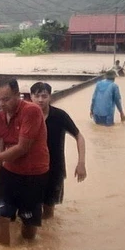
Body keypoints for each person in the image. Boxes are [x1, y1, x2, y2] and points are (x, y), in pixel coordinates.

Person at [0, 77, 49, 246]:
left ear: (18, 95)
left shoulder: (32, 111)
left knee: (28, 226)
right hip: (10, 172)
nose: (1, 103)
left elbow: (22, 148)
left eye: (5, 99)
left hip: (33, 174)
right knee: (1, 217)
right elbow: (0, 148)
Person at [30, 82, 87, 219]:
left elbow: (79, 136)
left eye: (44, 96)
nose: (40, 100)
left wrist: (81, 163)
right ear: (31, 97)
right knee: (30, 207)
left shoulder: (60, 116)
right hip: (31, 169)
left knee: (49, 209)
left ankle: (48, 236)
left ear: (50, 96)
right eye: (37, 96)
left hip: (54, 169)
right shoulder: (27, 115)